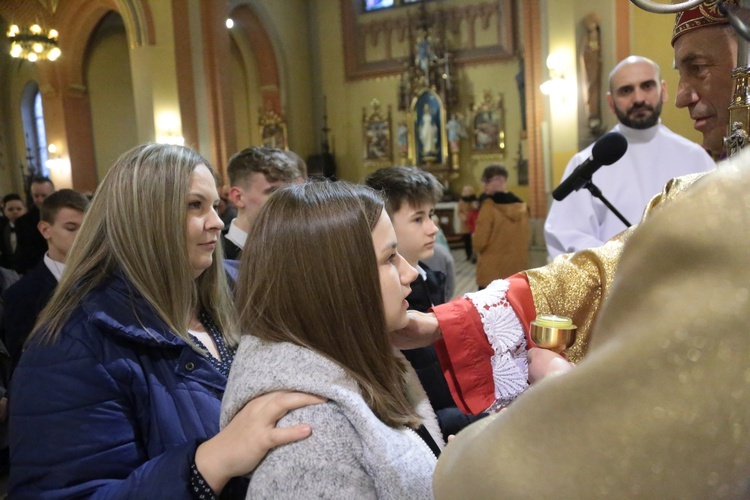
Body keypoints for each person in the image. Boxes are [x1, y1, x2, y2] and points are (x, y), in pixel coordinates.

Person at [391, 1, 742, 417]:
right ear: (610, 100)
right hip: (621, 330)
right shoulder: (596, 162)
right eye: (628, 89)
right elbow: (593, 268)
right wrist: (455, 321)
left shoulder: (706, 165)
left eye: (697, 67)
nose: (684, 95)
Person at [433, 142, 750, 499]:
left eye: (696, 79)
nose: (681, 95)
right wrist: (463, 316)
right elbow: (598, 269)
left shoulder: (733, 199)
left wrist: (556, 385)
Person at [9, 144, 322, 497]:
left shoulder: (238, 290)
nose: (218, 221)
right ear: (142, 218)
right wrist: (209, 463)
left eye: (215, 207)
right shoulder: (71, 345)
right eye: (194, 205)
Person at [222, 181, 440, 498]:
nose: (408, 273)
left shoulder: (344, 362)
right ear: (336, 281)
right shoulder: (310, 431)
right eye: (390, 257)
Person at [544, 55, 715, 258]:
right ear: (610, 102)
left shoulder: (695, 157)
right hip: (614, 286)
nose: (638, 99)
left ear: (664, 91)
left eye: (647, 86)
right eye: (626, 90)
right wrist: (622, 262)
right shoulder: (586, 163)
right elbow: (565, 235)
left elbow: (716, 225)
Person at [366, 166, 480, 438]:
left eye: (430, 215)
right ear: (383, 224)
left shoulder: (434, 271)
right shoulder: (385, 300)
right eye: (418, 219)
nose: (433, 227)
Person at [2, 189, 89, 377]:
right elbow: (22, 367)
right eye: (71, 228)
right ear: (45, 229)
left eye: (87, 228)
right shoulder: (22, 293)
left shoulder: (107, 279)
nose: (82, 236)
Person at [222, 147, 302, 260]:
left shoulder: (297, 248)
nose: (286, 202)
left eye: (289, 193)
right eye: (274, 193)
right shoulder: (215, 256)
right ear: (238, 197)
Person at [474, 164, 529, 289]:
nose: (483, 186)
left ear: (494, 181)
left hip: (491, 273)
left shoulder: (489, 206)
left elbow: (479, 242)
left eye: (485, 181)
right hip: (516, 271)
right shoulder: (521, 206)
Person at [14, 176, 55, 273]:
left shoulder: (63, 217)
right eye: (36, 196)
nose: (39, 200)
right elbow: (25, 253)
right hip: (36, 270)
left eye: (44, 196)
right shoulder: (22, 222)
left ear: (53, 194)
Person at [0, 194, 26, 270]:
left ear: (25, 209)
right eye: (10, 209)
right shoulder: (2, 229)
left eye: (19, 209)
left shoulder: (34, 229)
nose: (15, 212)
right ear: (4, 211)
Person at [457, 185, 479, 261]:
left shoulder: (475, 200)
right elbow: (459, 212)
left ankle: (474, 255)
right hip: (465, 223)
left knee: (474, 239)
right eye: (466, 191)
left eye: (469, 191)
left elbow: (476, 209)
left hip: (473, 222)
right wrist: (464, 218)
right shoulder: (461, 201)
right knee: (467, 240)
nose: (467, 192)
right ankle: (468, 255)